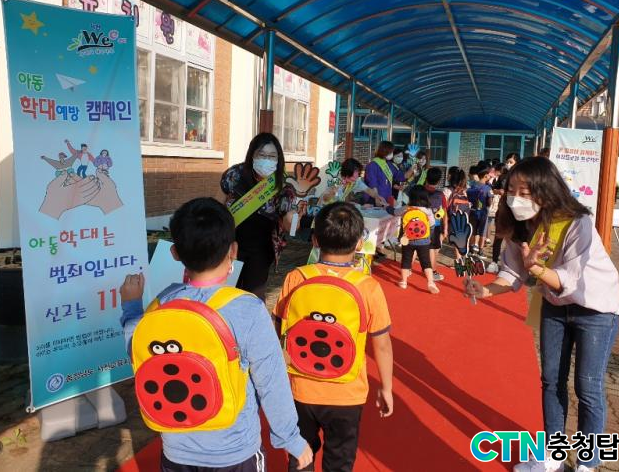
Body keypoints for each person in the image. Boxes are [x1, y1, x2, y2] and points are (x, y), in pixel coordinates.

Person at [119, 197, 313, 471]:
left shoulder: (162, 303)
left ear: (175, 253)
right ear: (233, 250)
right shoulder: (247, 309)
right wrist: (290, 438)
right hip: (236, 451)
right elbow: (272, 381)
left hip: (177, 451)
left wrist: (131, 306)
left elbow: (137, 350)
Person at [467, 157, 619, 472]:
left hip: (595, 308)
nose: (515, 199)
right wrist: (484, 291)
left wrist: (535, 267)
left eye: (524, 192)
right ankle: (552, 455)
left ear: (545, 191)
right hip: (555, 304)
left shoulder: (576, 222)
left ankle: (588, 463)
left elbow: (569, 279)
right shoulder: (520, 226)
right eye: (511, 190)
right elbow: (512, 273)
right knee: (551, 380)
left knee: (587, 385)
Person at [274, 202, 393, 471]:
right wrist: (386, 387)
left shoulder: (296, 277)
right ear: (360, 243)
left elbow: (279, 326)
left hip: (300, 387)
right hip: (347, 393)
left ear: (315, 240)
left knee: (300, 457)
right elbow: (382, 345)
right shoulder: (368, 287)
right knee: (339, 460)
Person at [220, 133, 296, 299]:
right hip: (231, 242)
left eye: (272, 156)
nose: (267, 160)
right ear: (252, 155)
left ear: (278, 159)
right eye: (262, 155)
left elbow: (289, 224)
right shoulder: (235, 175)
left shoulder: (283, 186)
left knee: (253, 295)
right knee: (226, 291)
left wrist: (294, 219)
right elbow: (221, 202)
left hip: (261, 247)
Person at [395, 185, 439, 293]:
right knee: (426, 262)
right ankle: (430, 282)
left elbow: (395, 212)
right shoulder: (427, 210)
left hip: (407, 239)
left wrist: (387, 207)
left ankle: (404, 281)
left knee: (406, 261)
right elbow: (432, 225)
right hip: (423, 241)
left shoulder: (406, 208)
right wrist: (428, 237)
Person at [488, 153, 520, 273]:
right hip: (502, 210)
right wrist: (498, 191)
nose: (508, 164)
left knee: (513, 240)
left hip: (516, 212)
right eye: (507, 161)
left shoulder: (521, 177)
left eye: (511, 162)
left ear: (517, 163)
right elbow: (493, 189)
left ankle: (510, 264)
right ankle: (494, 262)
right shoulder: (503, 176)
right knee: (498, 236)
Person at [319, 158, 388, 207]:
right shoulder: (335, 180)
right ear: (346, 174)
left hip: (337, 209)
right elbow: (325, 198)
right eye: (353, 177)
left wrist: (378, 197)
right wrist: (332, 193)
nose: (355, 179)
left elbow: (368, 190)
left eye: (357, 175)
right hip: (324, 210)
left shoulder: (355, 181)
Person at [365, 141, 406, 207]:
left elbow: (401, 177)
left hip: (387, 199)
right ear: (384, 151)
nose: (392, 154)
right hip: (375, 200)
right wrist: (376, 197)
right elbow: (372, 184)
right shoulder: (372, 165)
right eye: (391, 152)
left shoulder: (389, 164)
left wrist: (412, 169)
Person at [424, 167, 448, 282]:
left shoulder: (419, 191)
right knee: (432, 249)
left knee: (413, 248)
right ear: (438, 181)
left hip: (419, 224)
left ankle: (407, 270)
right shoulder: (440, 194)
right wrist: (446, 228)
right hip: (435, 225)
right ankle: (433, 272)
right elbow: (445, 212)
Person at [467, 167, 494, 255]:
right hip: (483, 212)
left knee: (473, 230)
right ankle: (480, 251)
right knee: (482, 231)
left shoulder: (472, 186)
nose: (490, 177)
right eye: (489, 175)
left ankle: (471, 248)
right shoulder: (487, 188)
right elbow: (489, 202)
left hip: (473, 211)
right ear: (485, 176)